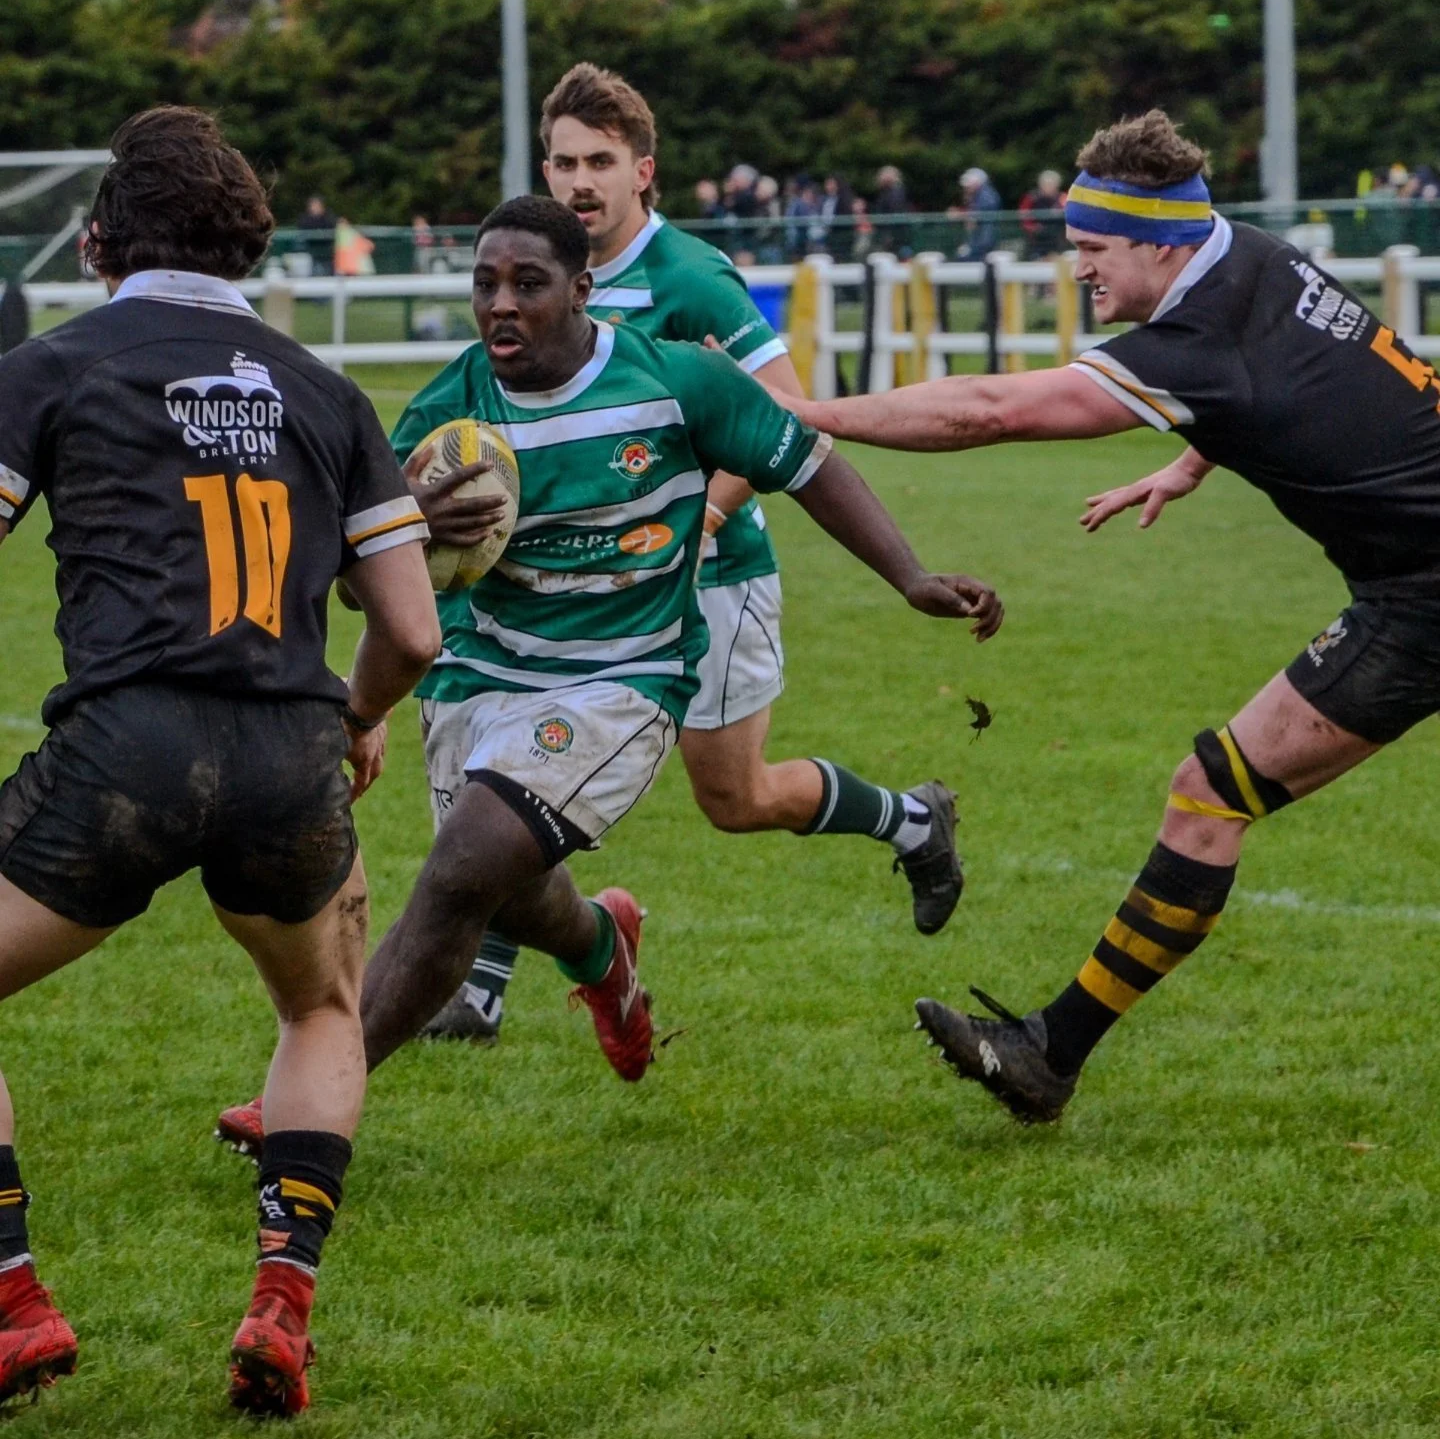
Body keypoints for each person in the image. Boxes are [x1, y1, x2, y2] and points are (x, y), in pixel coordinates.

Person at [215, 195, 1003, 1152]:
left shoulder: (676, 383)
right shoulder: (447, 412)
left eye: (528, 283)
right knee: (506, 886)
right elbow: (356, 586)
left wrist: (912, 575)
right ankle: (601, 949)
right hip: (480, 676)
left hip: (621, 681)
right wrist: (414, 524)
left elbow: (810, 464)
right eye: (485, 283)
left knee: (463, 870)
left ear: (583, 288)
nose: (500, 304)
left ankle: (309, 1098)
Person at [790, 108, 1440, 1126]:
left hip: (1426, 596)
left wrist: (812, 415)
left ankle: (1048, 1056)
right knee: (1212, 788)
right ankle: (1049, 1054)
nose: (1080, 272)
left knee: (1210, 794)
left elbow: (991, 409)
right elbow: (1305, 378)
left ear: (1158, 239)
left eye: (1092, 251)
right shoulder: (1259, 258)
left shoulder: (1196, 338)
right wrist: (1189, 462)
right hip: (1414, 582)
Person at [0, 107, 440, 1413]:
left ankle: (16, 1301)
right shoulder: (330, 393)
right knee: (318, 1008)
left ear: (97, 242)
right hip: (290, 747)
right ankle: (282, 1308)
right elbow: (412, 627)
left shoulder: (51, 366)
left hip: (128, 744)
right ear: (244, 246)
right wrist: (357, 720)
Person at [422, 65, 991, 1047]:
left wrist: (695, 520)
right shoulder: (540, 274)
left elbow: (783, 410)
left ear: (644, 172)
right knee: (502, 754)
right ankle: (479, 983)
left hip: (709, 575)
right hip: (571, 583)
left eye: (599, 162)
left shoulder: (689, 278)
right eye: (562, 161)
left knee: (735, 797)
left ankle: (910, 819)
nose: (578, 182)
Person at [955, 167, 1002, 260]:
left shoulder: (986, 195)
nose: (966, 188)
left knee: (968, 258)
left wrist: (960, 215)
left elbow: (975, 217)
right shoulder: (979, 195)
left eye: (969, 185)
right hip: (980, 239)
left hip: (983, 241)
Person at [1018, 170, 1067, 257]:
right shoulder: (1031, 198)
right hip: (1036, 238)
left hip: (1057, 238)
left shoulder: (1062, 198)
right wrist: (1034, 228)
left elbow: (1068, 213)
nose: (1048, 187)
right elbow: (1024, 216)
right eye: (1046, 184)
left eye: (1051, 184)